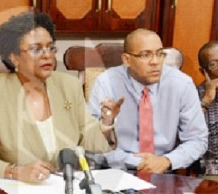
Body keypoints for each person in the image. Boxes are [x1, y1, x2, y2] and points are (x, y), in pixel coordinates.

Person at [0, 11, 122, 183]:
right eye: (36, 49)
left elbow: (89, 141)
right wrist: (16, 171)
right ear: (14, 58)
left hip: (66, 184)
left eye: (50, 47)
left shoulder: (69, 86)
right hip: (17, 187)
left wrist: (106, 123)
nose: (47, 55)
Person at [88, 28, 208, 174]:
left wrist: (167, 161)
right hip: (117, 170)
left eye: (160, 54)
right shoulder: (106, 83)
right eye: (146, 55)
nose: (155, 62)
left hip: (164, 169)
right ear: (127, 60)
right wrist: (138, 162)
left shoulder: (182, 84)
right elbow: (90, 144)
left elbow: (197, 139)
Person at [197, 41, 218, 181]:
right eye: (214, 64)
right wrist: (207, 100)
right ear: (203, 71)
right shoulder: (195, 97)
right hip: (214, 168)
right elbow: (183, 138)